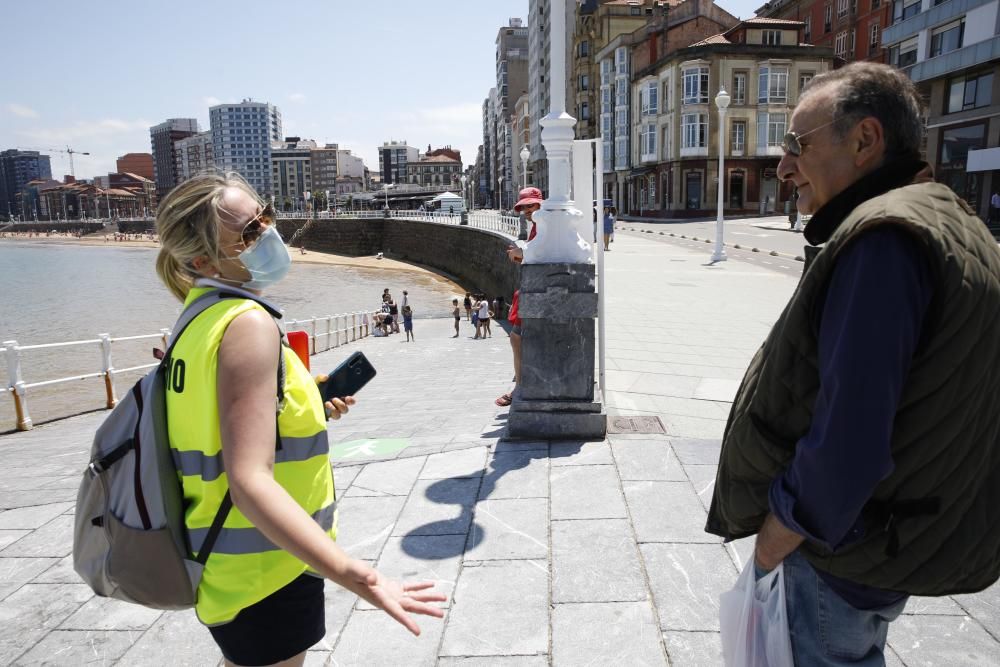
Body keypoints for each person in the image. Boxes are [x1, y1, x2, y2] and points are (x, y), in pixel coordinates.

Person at [706, 62, 1000, 666]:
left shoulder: (883, 241)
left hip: (837, 552)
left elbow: (849, 445)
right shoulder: (953, 226)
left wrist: (772, 543)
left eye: (796, 145)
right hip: (888, 541)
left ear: (865, 140)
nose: (784, 167)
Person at [154, 173, 445, 666]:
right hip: (268, 569)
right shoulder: (247, 324)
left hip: (229, 564)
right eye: (250, 232)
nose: (269, 232)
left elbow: (220, 429)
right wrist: (358, 576)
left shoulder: (197, 319)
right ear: (203, 259)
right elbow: (248, 480)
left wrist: (303, 404)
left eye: (265, 216)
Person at [496, 186, 542, 407]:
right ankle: (520, 380)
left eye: (531, 206)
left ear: (540, 204)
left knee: (516, 337)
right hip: (532, 285)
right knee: (516, 337)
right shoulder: (536, 226)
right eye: (523, 207)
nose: (526, 211)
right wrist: (519, 253)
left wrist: (520, 253)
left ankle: (520, 385)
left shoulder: (542, 225)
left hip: (538, 288)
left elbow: (541, 252)